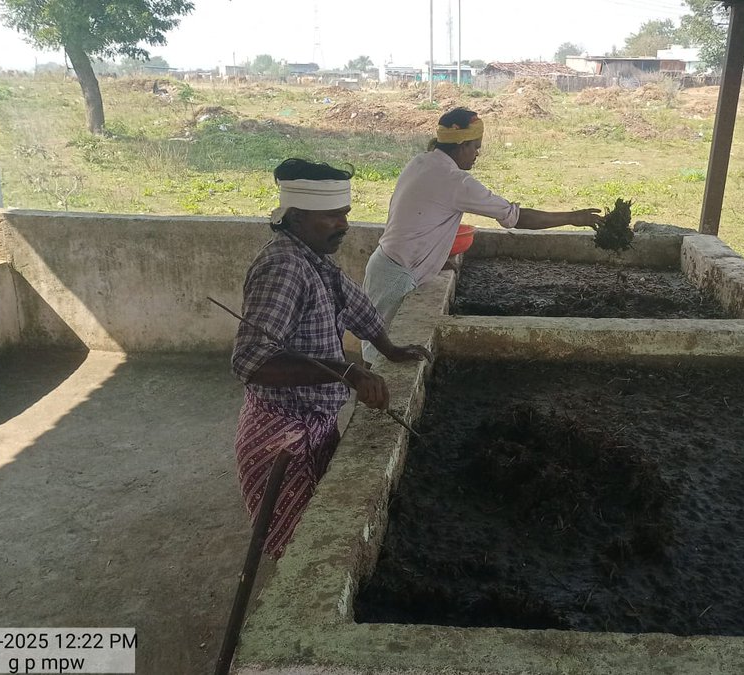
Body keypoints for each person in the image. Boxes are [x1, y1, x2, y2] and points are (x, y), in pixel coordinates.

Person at [231, 158, 431, 558]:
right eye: (333, 216)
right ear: (298, 216)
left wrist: (389, 349)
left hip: (315, 422)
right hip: (284, 435)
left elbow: (356, 308)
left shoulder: (315, 258)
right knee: (302, 550)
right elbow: (250, 361)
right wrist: (347, 371)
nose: (344, 225)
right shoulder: (284, 268)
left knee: (318, 529)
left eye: (345, 214)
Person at [361, 107, 604, 363]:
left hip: (385, 264)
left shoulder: (421, 162)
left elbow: (408, 217)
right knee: (384, 358)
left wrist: (432, 258)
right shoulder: (457, 182)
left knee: (376, 345)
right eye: (476, 146)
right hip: (397, 277)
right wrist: (571, 218)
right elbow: (515, 217)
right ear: (461, 144)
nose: (478, 153)